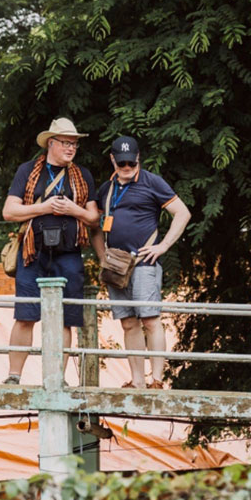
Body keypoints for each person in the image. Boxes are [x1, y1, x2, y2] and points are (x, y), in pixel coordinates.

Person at [2, 117, 100, 384]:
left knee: (66, 318)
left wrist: (72, 210)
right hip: (32, 252)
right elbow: (9, 211)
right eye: (66, 143)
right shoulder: (27, 171)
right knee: (25, 315)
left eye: (75, 144)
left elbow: (93, 218)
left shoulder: (83, 175)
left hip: (69, 252)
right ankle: (13, 376)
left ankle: (58, 377)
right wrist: (43, 208)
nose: (71, 149)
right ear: (51, 144)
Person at [91, 136, 191, 390]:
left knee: (150, 319)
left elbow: (182, 212)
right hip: (115, 264)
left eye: (130, 163)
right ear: (113, 159)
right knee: (128, 322)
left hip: (144, 261)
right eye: (121, 163)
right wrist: (102, 256)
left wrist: (163, 245)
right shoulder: (106, 188)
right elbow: (94, 225)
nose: (126, 168)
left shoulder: (152, 181)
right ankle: (137, 381)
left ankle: (156, 379)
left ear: (138, 158)